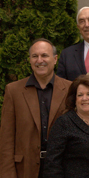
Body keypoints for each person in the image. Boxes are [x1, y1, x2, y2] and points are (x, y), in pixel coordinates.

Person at [0, 38, 72, 178]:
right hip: (24, 169)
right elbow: (6, 140)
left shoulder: (70, 89)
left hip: (61, 169)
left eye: (44, 55)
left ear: (55, 59)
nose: (40, 60)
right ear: (30, 60)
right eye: (35, 56)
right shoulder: (13, 91)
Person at [43, 75, 89, 177]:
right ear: (74, 99)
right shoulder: (64, 123)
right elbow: (52, 163)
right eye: (80, 95)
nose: (84, 98)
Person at [57, 7, 89, 81]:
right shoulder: (67, 54)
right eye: (82, 21)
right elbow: (61, 85)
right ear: (78, 27)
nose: (87, 25)